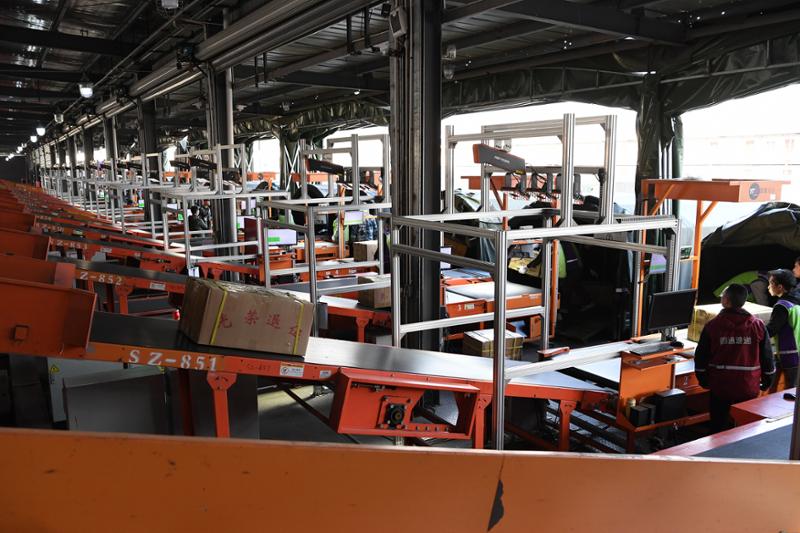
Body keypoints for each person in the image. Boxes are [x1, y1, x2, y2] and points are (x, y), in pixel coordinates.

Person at [694, 284, 775, 433]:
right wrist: (768, 379)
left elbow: (701, 356)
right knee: (746, 428)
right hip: (748, 385)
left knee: (718, 427)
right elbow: (767, 357)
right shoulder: (757, 325)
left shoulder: (713, 326)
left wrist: (703, 379)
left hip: (720, 386)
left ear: (726, 300)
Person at [765, 269, 800, 390]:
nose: (768, 287)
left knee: (790, 391)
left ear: (780, 287)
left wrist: (754, 328)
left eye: (771, 283)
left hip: (788, 355)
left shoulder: (782, 306)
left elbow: (771, 330)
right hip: (795, 353)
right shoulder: (795, 302)